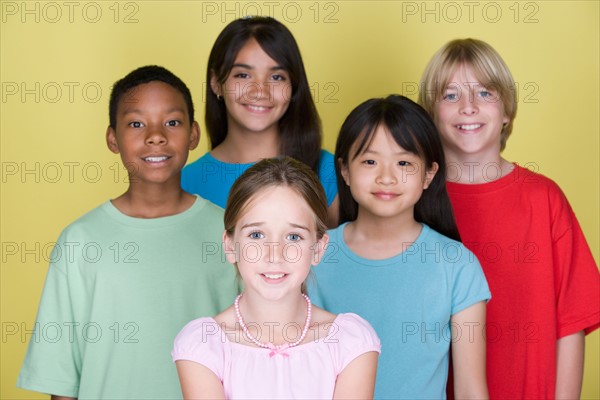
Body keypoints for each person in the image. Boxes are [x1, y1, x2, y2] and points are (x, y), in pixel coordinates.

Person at [17, 65, 239, 399]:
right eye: (136, 123)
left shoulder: (230, 233)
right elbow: (60, 373)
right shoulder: (80, 241)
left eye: (172, 122)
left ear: (193, 134)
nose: (155, 135)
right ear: (112, 139)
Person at [418, 38, 600, 399]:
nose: (468, 108)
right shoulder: (413, 200)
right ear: (431, 112)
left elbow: (571, 326)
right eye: (451, 96)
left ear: (506, 111)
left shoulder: (543, 198)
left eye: (485, 93)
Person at [309, 95, 491, 399]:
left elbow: (471, 390)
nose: (387, 177)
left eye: (404, 162)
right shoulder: (313, 257)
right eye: (369, 161)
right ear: (344, 171)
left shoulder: (457, 265)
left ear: (429, 174)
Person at [172, 157, 380, 399]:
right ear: (230, 245)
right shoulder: (202, 344)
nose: (274, 254)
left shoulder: (351, 342)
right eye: (257, 234)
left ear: (318, 249)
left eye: (293, 237)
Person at [180, 16, 339, 227]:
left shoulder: (328, 172)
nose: (260, 91)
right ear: (216, 83)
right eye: (243, 75)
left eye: (276, 77)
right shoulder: (184, 182)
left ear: (293, 86)